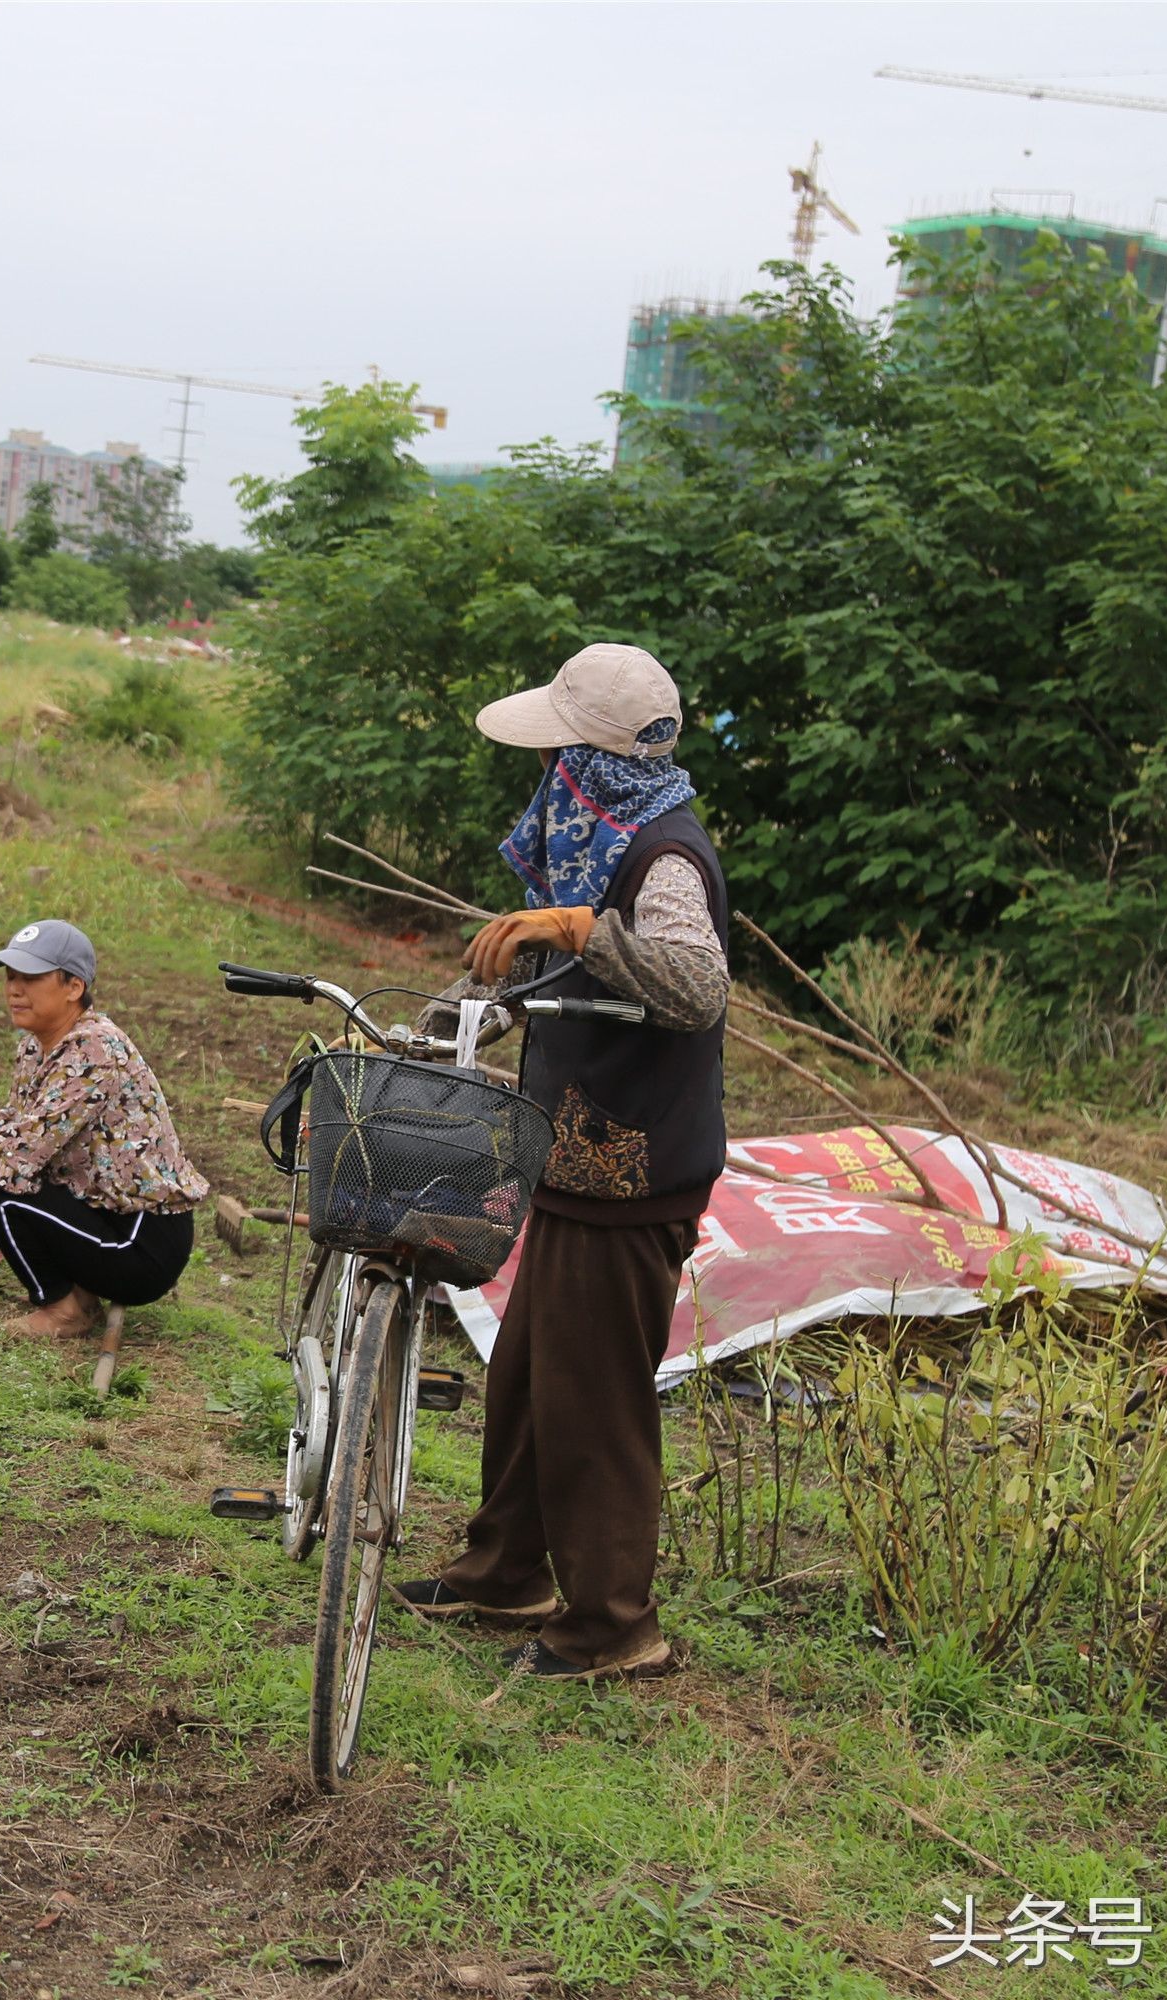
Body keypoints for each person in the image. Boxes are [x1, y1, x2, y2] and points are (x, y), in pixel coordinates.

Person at [394, 641, 731, 1686]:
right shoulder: (592, 846)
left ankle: (613, 1624)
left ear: (598, 760)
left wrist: (584, 925)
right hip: (576, 1163)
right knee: (533, 1376)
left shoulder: (659, 856)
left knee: (597, 1400)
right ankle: (507, 1571)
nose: (550, 776)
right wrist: (439, 1032)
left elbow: (695, 982)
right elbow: (540, 982)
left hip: (635, 1176)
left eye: (563, 756)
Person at [0, 920, 208, 1338]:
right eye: (10, 977)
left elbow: (23, 1150)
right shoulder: (38, 1043)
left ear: (73, 987)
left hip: (141, 1244)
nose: (14, 989)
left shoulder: (93, 1047)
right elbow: (19, 1119)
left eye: (30, 978)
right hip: (107, 1218)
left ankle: (64, 1310)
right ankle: (79, 1295)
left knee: (0, 1185)